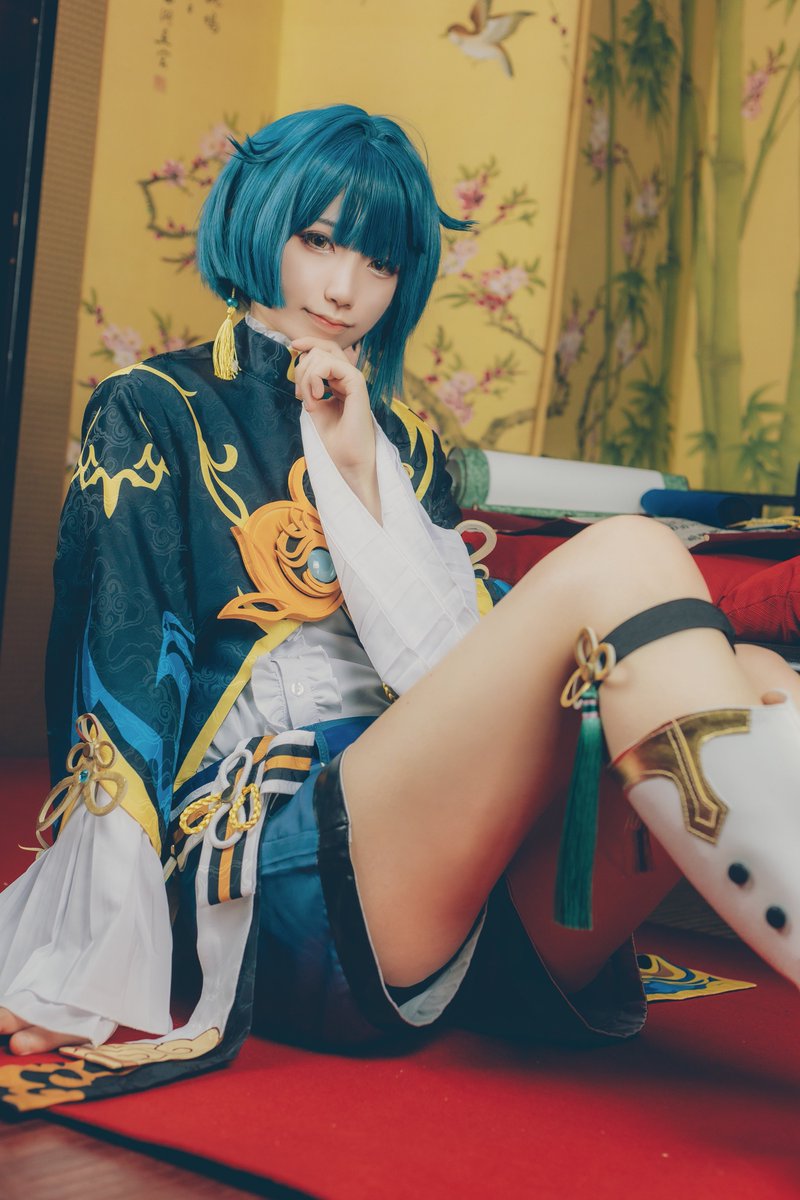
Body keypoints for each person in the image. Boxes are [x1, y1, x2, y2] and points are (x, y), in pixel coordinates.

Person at [1, 105, 798, 1107]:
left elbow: (446, 666)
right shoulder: (155, 406)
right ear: (258, 219)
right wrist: (81, 956)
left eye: (378, 262)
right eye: (318, 240)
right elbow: (118, 693)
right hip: (287, 882)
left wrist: (359, 464)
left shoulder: (406, 443)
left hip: (465, 898)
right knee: (630, 553)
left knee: (760, 675)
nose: (345, 288)